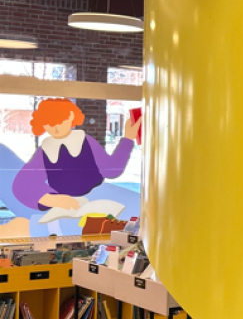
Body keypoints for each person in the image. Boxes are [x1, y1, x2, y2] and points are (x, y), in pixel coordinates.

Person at [2, 99, 141, 237]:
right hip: (66, 206)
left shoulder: (86, 142)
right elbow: (23, 184)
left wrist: (128, 138)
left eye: (59, 121)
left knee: (135, 213)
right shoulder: (46, 150)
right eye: (49, 124)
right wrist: (49, 198)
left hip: (99, 195)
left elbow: (112, 169)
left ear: (71, 117)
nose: (55, 128)